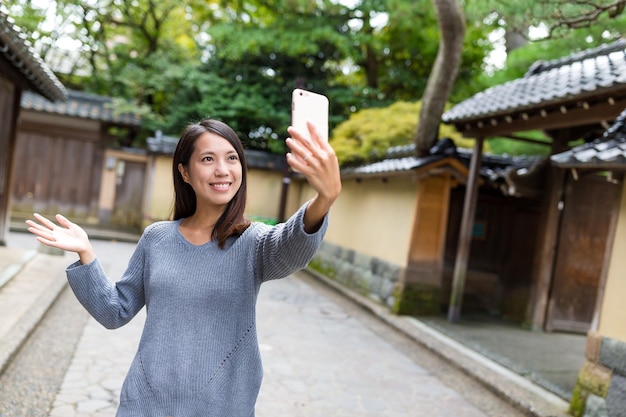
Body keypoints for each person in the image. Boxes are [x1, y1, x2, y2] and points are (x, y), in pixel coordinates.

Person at [26, 118, 341, 417]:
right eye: (207, 159)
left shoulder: (253, 242)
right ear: (185, 172)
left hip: (222, 409)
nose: (222, 170)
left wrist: (323, 200)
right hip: (145, 405)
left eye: (232, 159)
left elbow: (291, 246)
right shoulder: (157, 238)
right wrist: (86, 252)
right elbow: (115, 310)